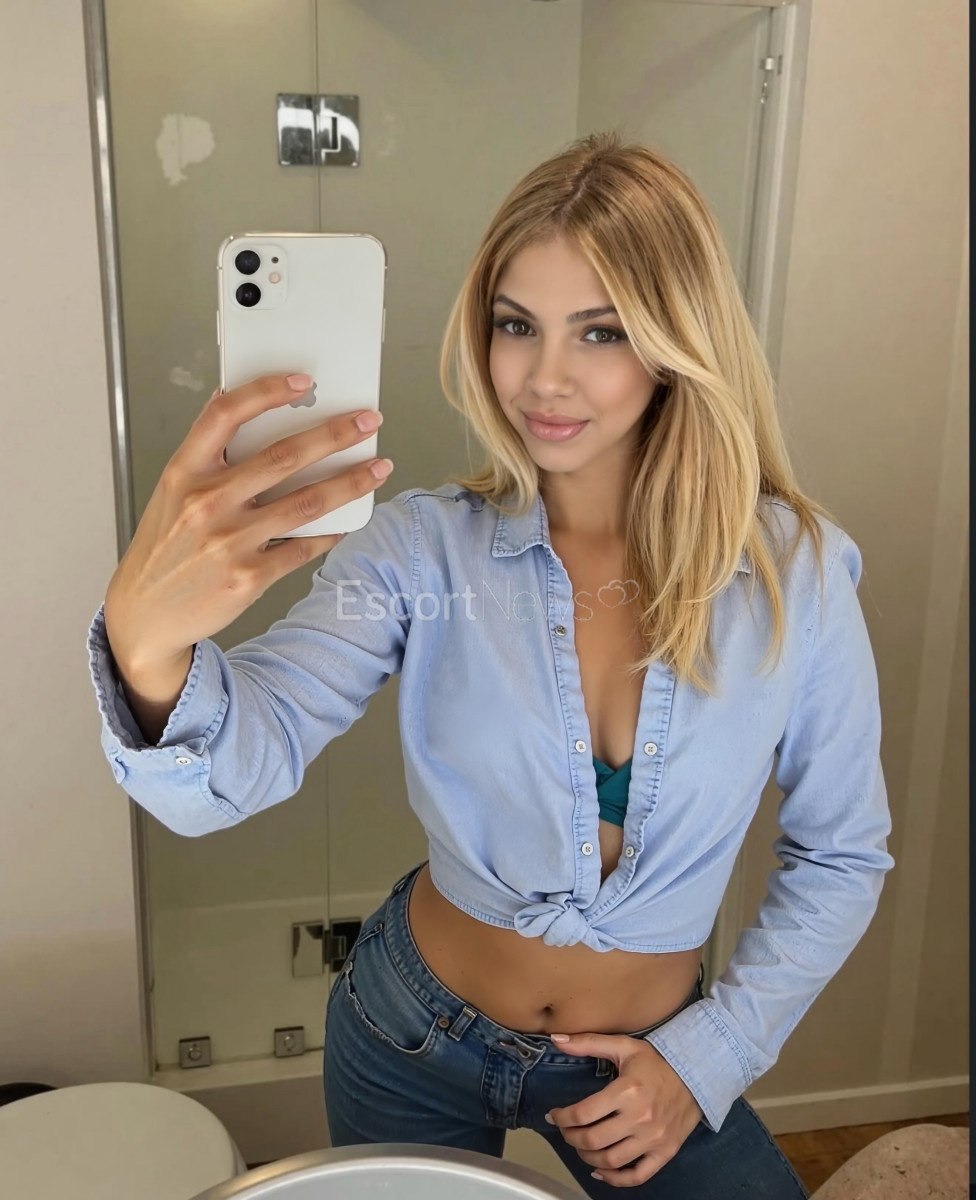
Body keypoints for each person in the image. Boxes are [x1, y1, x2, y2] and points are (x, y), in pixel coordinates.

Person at [88, 132, 893, 1197]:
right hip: (409, 1029)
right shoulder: (420, 551)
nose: (544, 377)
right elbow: (235, 767)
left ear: (676, 341)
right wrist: (148, 643)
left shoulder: (795, 574)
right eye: (516, 325)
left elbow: (841, 855)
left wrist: (708, 1059)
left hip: (646, 1058)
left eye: (600, 330)